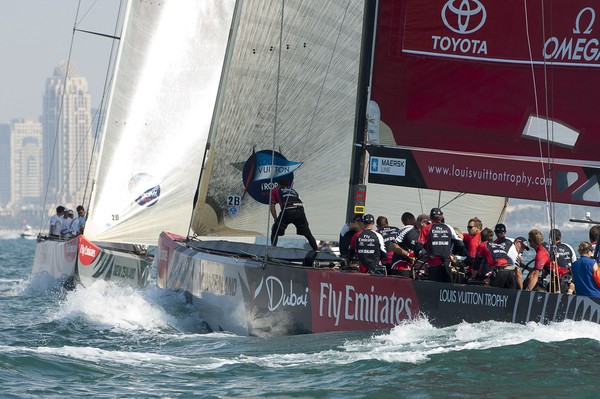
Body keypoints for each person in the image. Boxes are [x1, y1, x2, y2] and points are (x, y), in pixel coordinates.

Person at [415, 207, 465, 283]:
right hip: (446, 262)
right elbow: (460, 244)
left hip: (433, 263)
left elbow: (418, 246)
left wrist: (416, 255)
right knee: (447, 286)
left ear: (430, 217)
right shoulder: (449, 227)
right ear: (441, 217)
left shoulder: (426, 229)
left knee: (434, 287)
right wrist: (458, 256)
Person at [270, 178, 318, 251]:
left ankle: (273, 251)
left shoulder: (275, 190)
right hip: (300, 210)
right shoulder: (293, 190)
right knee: (308, 234)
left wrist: (275, 218)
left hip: (288, 210)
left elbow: (272, 206)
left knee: (275, 230)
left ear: (279, 184)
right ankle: (316, 251)